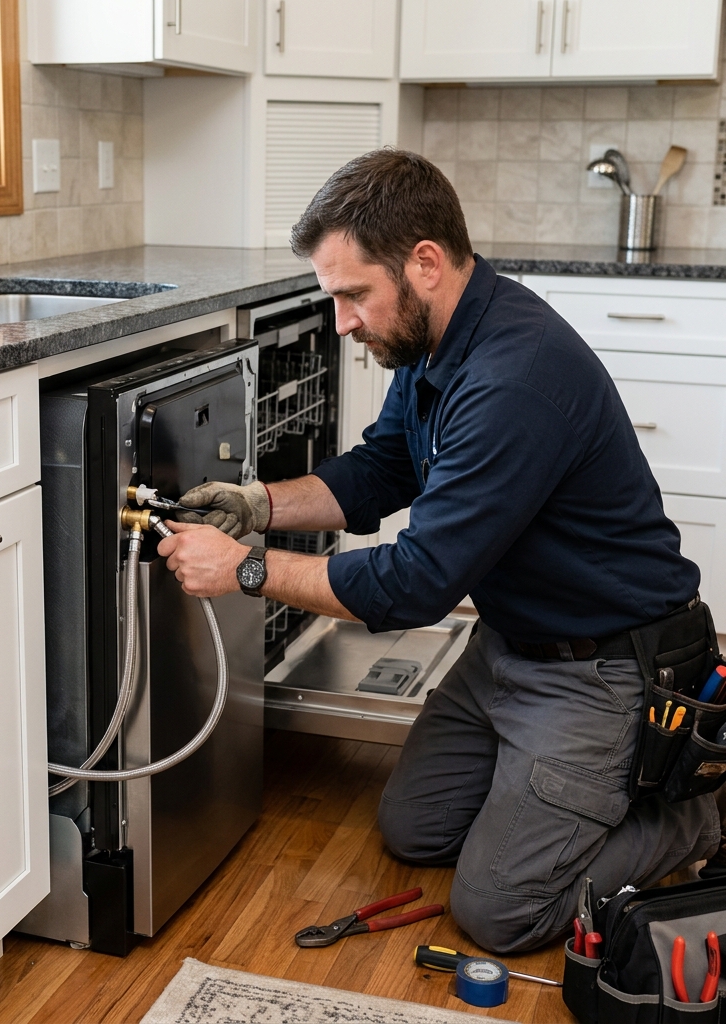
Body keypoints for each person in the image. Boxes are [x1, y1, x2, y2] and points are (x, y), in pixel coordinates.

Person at [156, 148, 722, 954]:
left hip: (599, 671)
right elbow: (383, 466)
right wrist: (260, 504)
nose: (344, 321)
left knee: (500, 913)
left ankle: (694, 813)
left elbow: (415, 586)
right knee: (415, 830)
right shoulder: (434, 344)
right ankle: (563, 795)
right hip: (506, 649)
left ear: (424, 262)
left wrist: (246, 567)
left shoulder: (513, 377)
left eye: (354, 295)